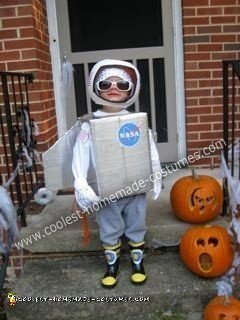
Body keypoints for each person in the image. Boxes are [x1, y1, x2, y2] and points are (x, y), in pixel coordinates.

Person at [72, 59, 161, 288]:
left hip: (135, 185)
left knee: (136, 221)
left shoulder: (137, 122)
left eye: (122, 84)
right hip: (106, 189)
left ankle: (137, 261)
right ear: (96, 87)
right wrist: (80, 182)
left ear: (131, 90)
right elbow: (80, 154)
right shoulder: (87, 125)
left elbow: (148, 148)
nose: (114, 88)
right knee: (109, 225)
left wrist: (156, 173)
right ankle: (112, 264)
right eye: (105, 84)